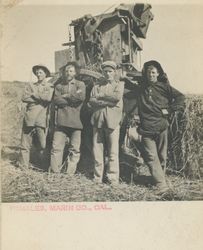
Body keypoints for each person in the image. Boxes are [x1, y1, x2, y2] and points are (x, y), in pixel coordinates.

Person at [136, 60, 185, 194]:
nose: (151, 75)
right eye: (148, 73)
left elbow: (180, 97)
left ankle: (158, 178)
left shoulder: (164, 87)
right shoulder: (140, 88)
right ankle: (161, 185)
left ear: (158, 74)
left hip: (162, 127)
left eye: (153, 72)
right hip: (146, 128)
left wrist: (170, 110)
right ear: (145, 74)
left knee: (162, 156)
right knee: (152, 157)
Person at [88, 60, 124, 184]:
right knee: (97, 150)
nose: (108, 74)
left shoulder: (119, 85)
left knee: (113, 151)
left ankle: (112, 178)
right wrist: (106, 102)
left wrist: (101, 96)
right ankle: (97, 178)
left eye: (110, 71)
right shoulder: (96, 86)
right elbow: (91, 100)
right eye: (105, 72)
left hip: (112, 122)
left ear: (114, 72)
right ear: (102, 73)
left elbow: (116, 98)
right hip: (98, 121)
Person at [49, 61, 86, 174]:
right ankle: (55, 173)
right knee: (56, 148)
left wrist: (67, 96)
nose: (68, 73)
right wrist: (71, 100)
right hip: (61, 122)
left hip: (76, 122)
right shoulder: (59, 86)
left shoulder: (80, 85)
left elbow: (80, 97)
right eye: (66, 71)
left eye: (71, 71)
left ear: (75, 73)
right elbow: (57, 100)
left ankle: (69, 173)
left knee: (74, 149)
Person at [18, 64, 54, 169]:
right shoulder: (31, 85)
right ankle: (24, 166)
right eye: (37, 73)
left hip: (41, 119)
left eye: (41, 72)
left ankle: (42, 166)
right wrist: (39, 99)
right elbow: (24, 97)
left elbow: (48, 98)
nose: (38, 74)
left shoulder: (49, 86)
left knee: (43, 145)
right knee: (25, 144)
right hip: (29, 118)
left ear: (46, 74)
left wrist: (34, 95)